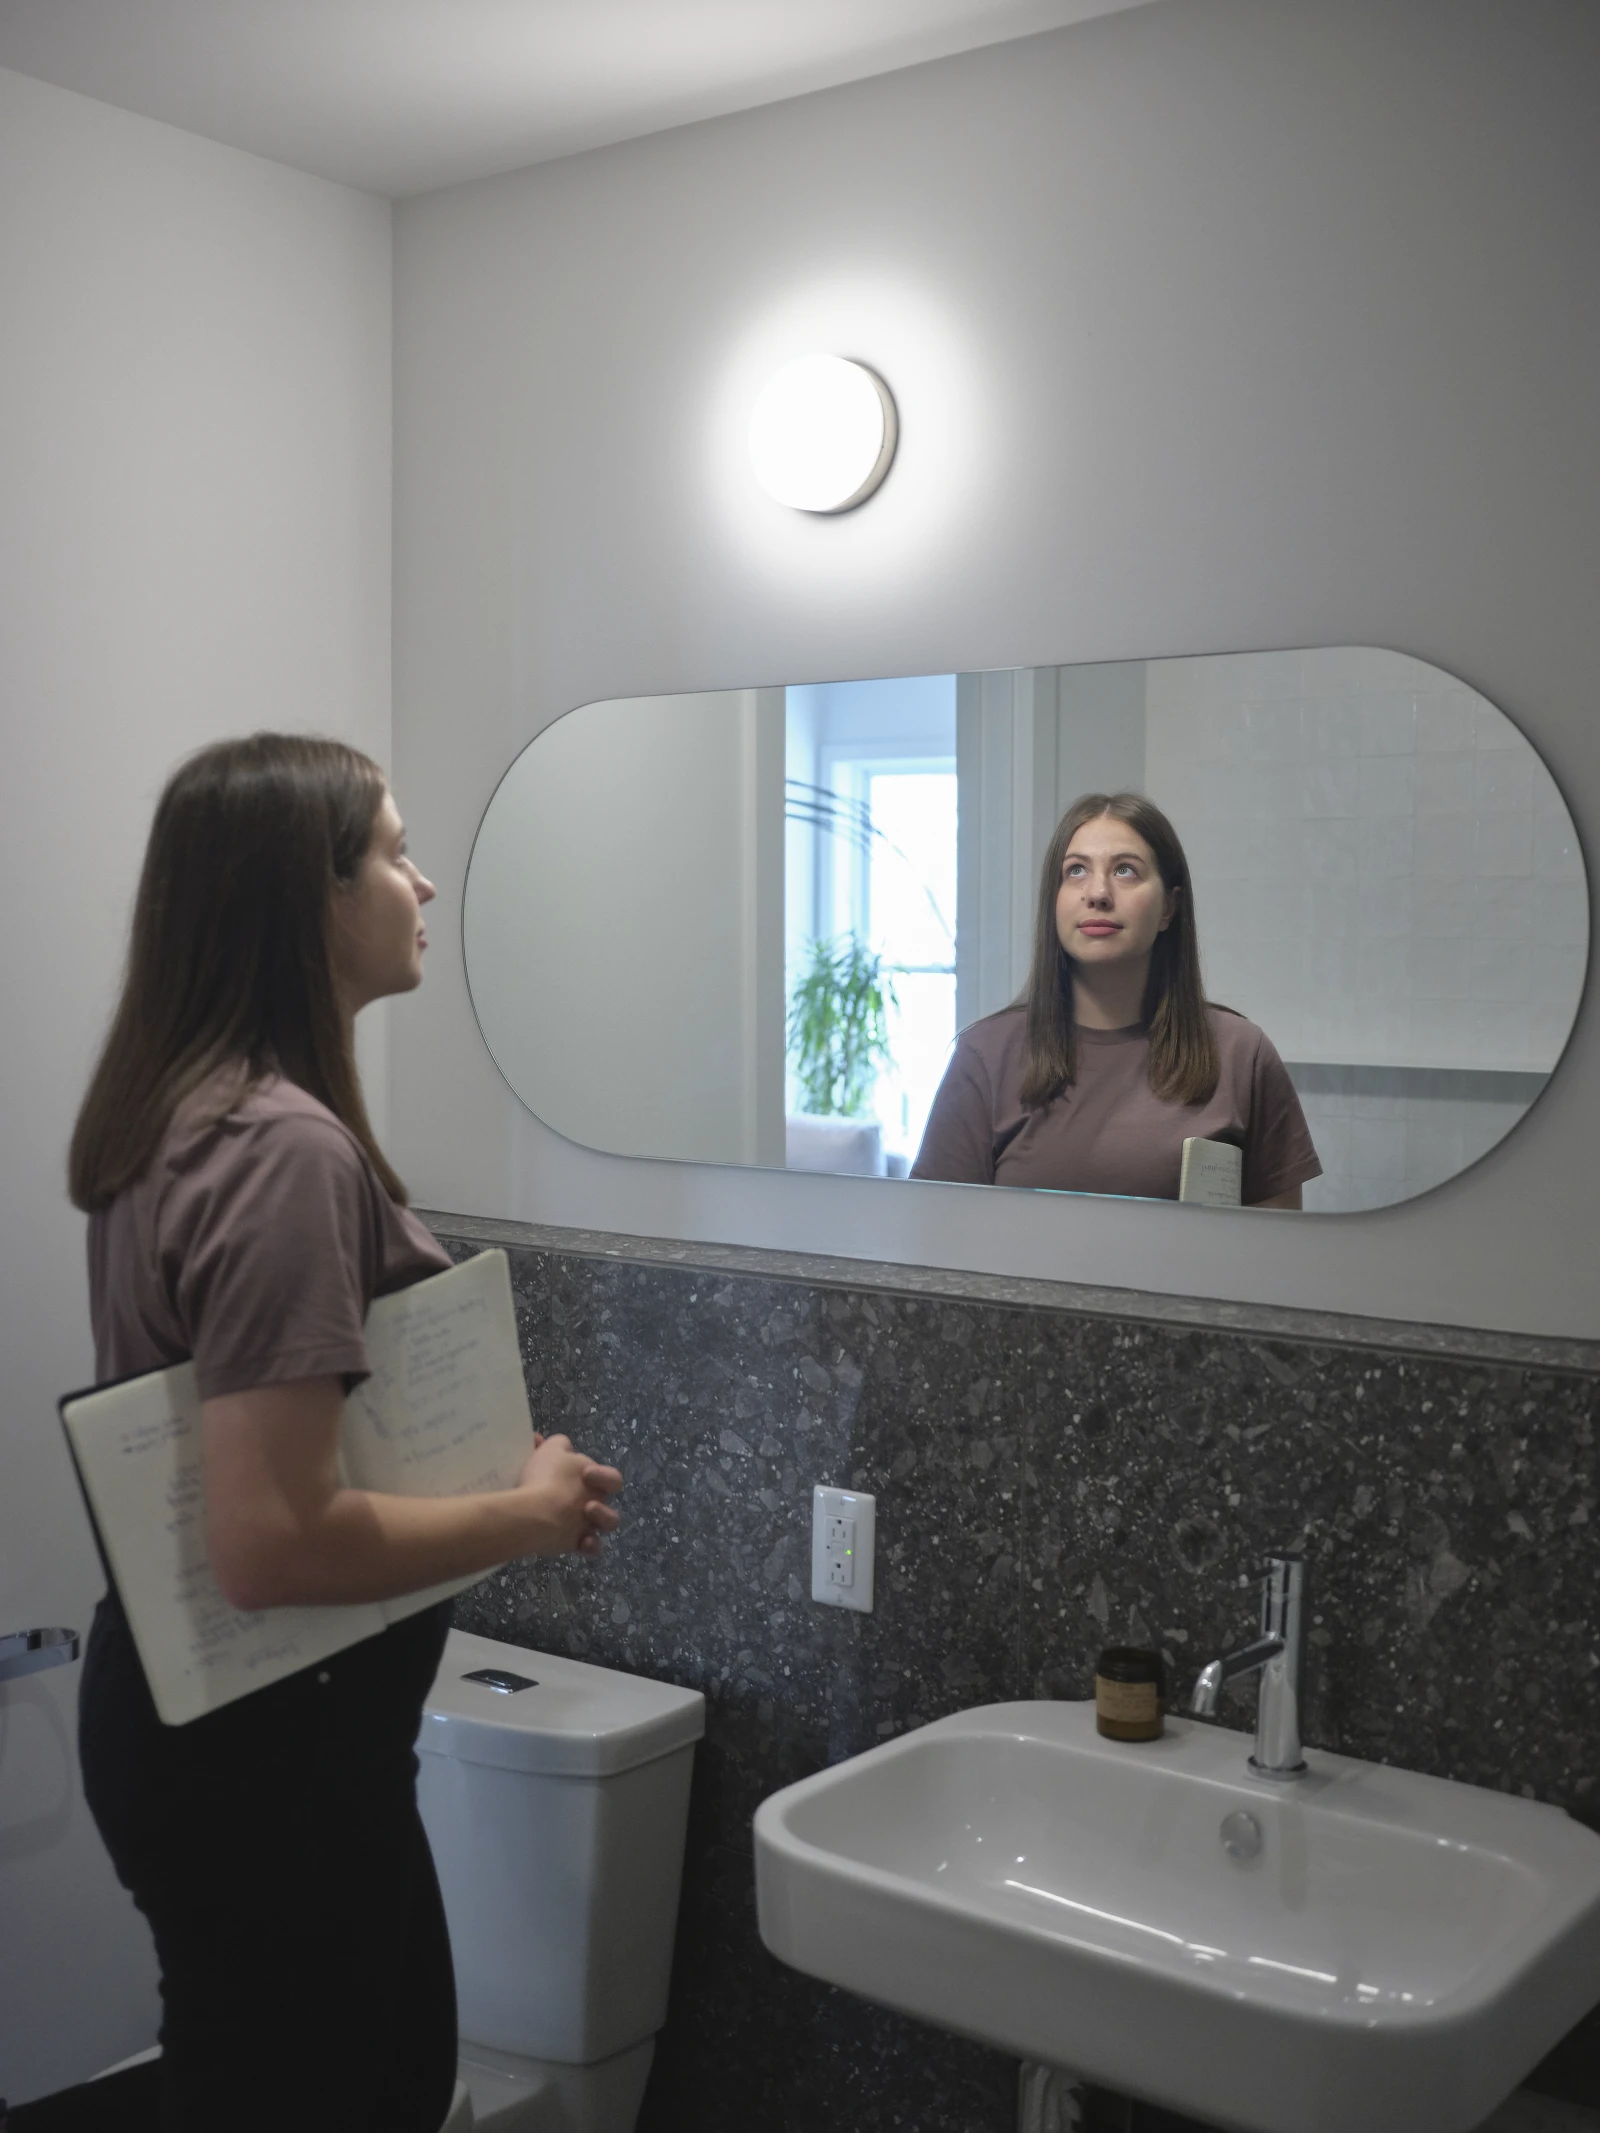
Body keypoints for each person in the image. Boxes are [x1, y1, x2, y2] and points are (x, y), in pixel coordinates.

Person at [67, 733, 623, 2132]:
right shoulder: (281, 1151)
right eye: (389, 849)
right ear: (302, 897)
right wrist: (535, 1508)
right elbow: (272, 1540)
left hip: (209, 1732)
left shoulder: (185, 1112)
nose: (423, 881)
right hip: (274, 1763)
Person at [911, 791, 1320, 1207]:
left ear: (1169, 907)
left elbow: (1278, 1256)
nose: (1098, 893)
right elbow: (937, 1240)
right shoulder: (985, 1056)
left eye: (1125, 870)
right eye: (1075, 871)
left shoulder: (1241, 1054)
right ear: (1054, 902)